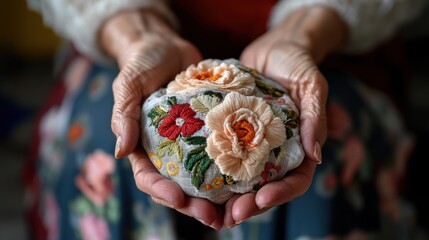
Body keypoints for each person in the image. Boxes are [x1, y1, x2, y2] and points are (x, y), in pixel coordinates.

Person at [24, 0, 426, 239]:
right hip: (119, 37)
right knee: (103, 154)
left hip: (331, 45)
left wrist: (302, 33)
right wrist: (136, 34)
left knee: (331, 149)